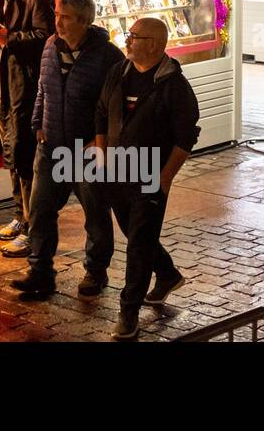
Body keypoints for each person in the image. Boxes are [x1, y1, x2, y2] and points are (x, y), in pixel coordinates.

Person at [95, 17, 200, 340]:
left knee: (139, 244)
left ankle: (128, 312)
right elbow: (101, 113)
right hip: (116, 173)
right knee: (135, 233)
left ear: (154, 44)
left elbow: (185, 138)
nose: (127, 40)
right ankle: (167, 275)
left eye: (133, 36)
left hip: (150, 177)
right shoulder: (119, 73)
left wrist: (165, 178)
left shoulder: (174, 87)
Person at [16, 0, 123, 300]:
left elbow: (116, 106)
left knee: (96, 213)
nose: (58, 23)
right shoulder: (50, 46)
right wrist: (37, 123)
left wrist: (101, 140)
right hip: (50, 147)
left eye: (64, 17)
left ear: (84, 21)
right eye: (57, 16)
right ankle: (40, 271)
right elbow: (42, 89)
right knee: (40, 210)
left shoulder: (108, 57)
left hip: (87, 150)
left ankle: (96, 270)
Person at [0, 0, 55, 258]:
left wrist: (10, 39)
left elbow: (46, 37)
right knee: (11, 154)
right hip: (0, 90)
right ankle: (18, 214)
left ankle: (31, 227)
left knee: (24, 155)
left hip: (22, 89)